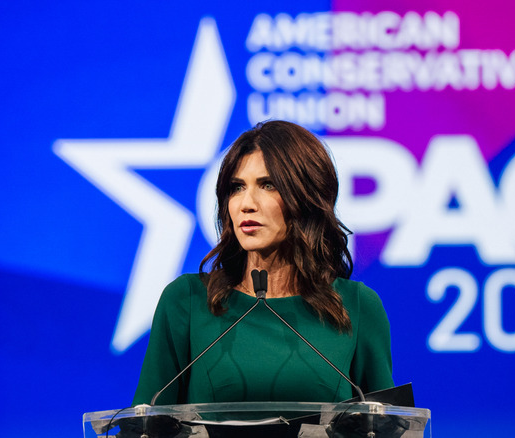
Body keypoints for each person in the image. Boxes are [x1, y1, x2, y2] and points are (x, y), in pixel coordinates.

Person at [132, 120, 394, 406]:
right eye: (236, 188)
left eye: (267, 185)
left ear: (307, 197)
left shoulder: (356, 306)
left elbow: (387, 425)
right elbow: (146, 423)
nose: (246, 203)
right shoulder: (188, 301)